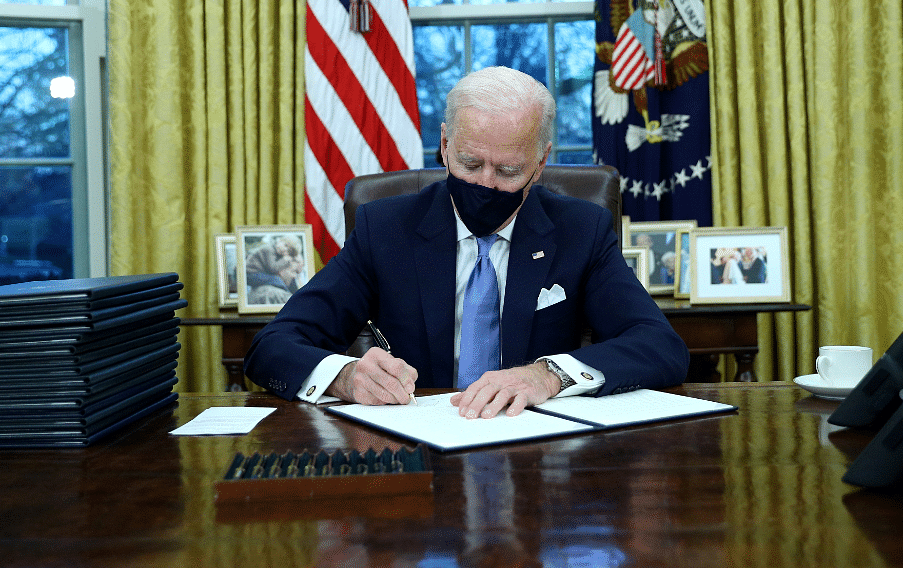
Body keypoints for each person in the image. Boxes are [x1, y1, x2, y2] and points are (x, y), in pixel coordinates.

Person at [243, 66, 689, 420]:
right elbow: (274, 345)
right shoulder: (387, 229)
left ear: (541, 162)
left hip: (538, 458)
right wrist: (343, 376)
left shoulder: (580, 230)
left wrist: (549, 374)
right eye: (470, 162)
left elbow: (658, 345)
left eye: (509, 171)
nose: (486, 184)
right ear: (444, 144)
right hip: (418, 456)